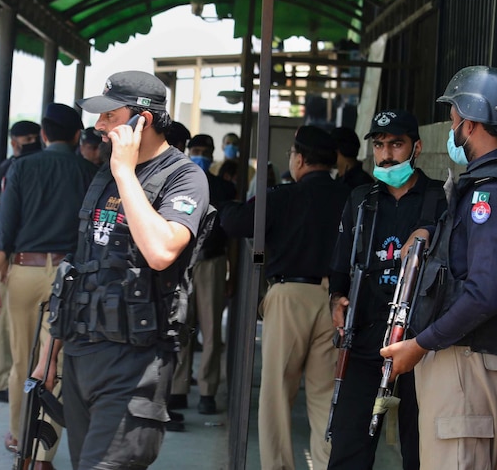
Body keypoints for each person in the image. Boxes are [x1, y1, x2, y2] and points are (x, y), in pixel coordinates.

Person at [33, 70, 210, 469]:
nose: (97, 127)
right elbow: (77, 268)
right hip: (81, 354)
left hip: (135, 361)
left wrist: (126, 173)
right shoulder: (106, 174)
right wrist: (49, 356)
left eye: (109, 117)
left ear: (140, 120)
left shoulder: (183, 176)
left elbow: (162, 251)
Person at [381, 66, 497, 470]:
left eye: (454, 117)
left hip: (465, 364)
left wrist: (420, 345)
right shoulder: (490, 185)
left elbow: (486, 291)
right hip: (460, 360)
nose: (452, 126)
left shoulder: (491, 196)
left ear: (471, 124)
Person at [219, 125, 350, 470]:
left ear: (301, 159)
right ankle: (325, 464)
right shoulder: (348, 197)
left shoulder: (282, 196)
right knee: (324, 397)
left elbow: (234, 222)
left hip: (289, 296)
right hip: (335, 300)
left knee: (277, 394)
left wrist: (224, 198)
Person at [327, 110, 447, 470]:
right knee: (349, 451)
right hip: (365, 343)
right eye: (379, 145)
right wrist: (336, 298)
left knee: (420, 454)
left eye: (397, 144)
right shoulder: (362, 200)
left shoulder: (440, 199)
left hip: (420, 348)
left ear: (417, 147)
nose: (387, 153)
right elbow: (340, 266)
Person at [0, 103, 97, 469]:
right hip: (70, 275)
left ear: (44, 135)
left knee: (22, 362)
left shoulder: (21, 168)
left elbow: (4, 232)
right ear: (78, 136)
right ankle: (43, 455)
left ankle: (19, 439)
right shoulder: (89, 172)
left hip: (24, 272)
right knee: (56, 365)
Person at [169, 134, 236, 418]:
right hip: (183, 262)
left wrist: (233, 272)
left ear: (213, 154)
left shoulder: (223, 187)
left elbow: (232, 234)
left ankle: (207, 391)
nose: (200, 155)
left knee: (210, 331)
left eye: (205, 151)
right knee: (181, 326)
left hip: (212, 262)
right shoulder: (179, 182)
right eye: (195, 150)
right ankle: (178, 389)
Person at [0, 120, 43, 404]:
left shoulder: (15, 167)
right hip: (11, 253)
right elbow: (1, 214)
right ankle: (2, 383)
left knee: (10, 320)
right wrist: (2, 260)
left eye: (35, 137)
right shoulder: (10, 168)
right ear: (14, 142)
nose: (31, 143)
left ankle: (6, 382)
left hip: (15, 252)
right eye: (27, 139)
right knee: (7, 321)